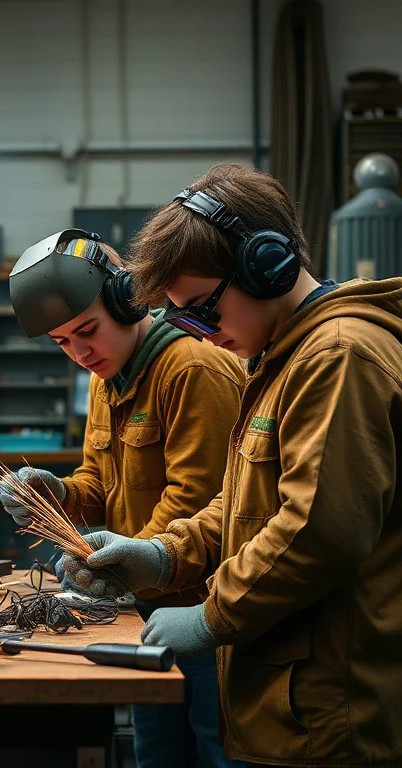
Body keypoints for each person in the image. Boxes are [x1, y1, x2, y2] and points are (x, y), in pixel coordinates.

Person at [65, 163, 402, 767]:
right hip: (290, 706)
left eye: (201, 308)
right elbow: (245, 503)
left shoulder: (338, 359)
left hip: (333, 718)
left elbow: (318, 532)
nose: (195, 330)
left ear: (265, 267)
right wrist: (165, 555)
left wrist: (210, 613)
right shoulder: (280, 362)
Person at [0, 229, 243, 768]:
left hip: (207, 618)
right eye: (63, 342)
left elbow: (197, 503)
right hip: (145, 612)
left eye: (87, 331)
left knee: (214, 752)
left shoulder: (193, 368)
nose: (80, 353)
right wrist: (58, 494)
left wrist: (119, 564)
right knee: (156, 756)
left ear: (127, 298)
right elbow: (101, 485)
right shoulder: (106, 376)